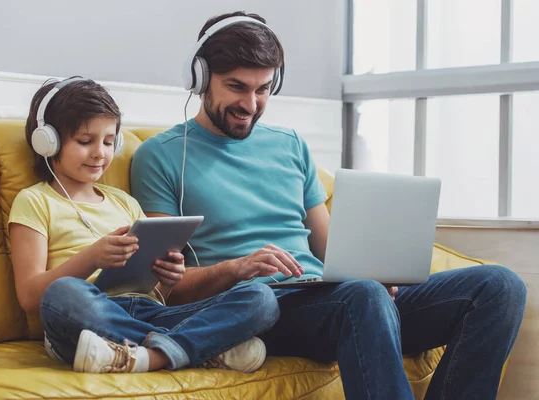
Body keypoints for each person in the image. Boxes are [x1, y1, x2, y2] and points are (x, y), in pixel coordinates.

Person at [130, 11, 527, 399]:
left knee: (499, 286)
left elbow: (330, 249)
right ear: (200, 78)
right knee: (363, 297)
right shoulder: (162, 157)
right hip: (262, 309)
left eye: (263, 88)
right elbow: (170, 289)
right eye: (237, 87)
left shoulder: (290, 145)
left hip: (338, 299)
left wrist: (375, 271)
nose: (250, 104)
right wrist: (239, 267)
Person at [8, 76, 279, 375]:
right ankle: (193, 348)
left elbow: (160, 295)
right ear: (48, 141)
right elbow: (31, 296)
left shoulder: (124, 202)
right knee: (65, 294)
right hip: (89, 316)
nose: (100, 152)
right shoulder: (34, 201)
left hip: (150, 313)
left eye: (109, 142)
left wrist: (169, 278)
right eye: (85, 142)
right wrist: (92, 258)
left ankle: (147, 355)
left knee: (260, 299)